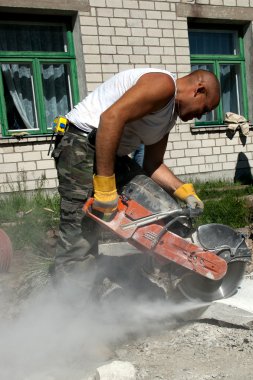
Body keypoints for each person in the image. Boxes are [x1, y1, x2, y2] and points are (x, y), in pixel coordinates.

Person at [51, 67, 220, 291]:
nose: (200, 116)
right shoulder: (163, 85)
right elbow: (110, 118)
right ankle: (72, 311)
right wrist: (105, 190)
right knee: (81, 237)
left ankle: (156, 275)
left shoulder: (168, 117)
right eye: (205, 109)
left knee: (166, 212)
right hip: (81, 146)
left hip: (112, 155)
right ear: (199, 90)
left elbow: (153, 164)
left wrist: (184, 192)